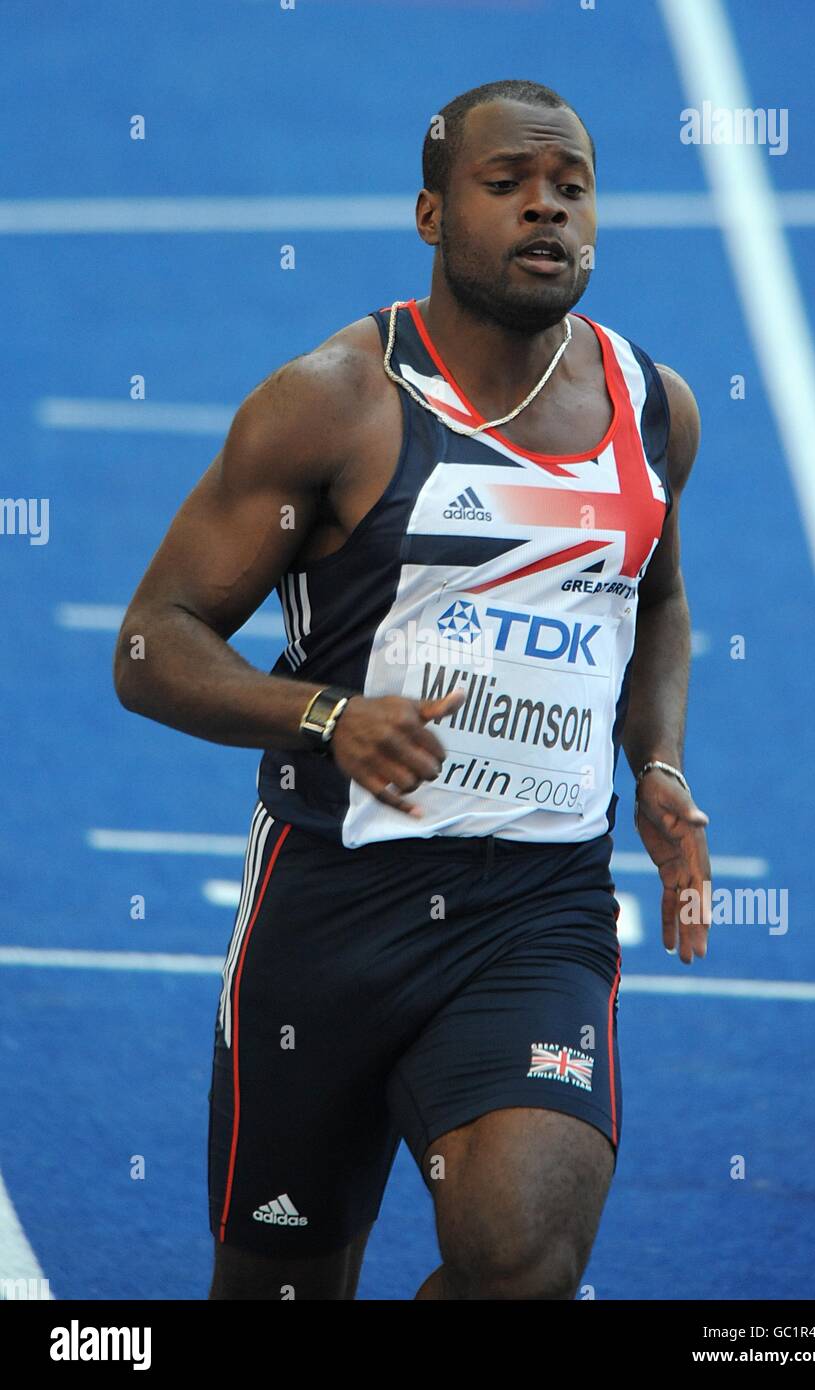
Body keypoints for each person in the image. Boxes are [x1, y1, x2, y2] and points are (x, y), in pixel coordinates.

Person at [114, 78, 711, 1301]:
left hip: (536, 908)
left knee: (523, 1263)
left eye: (572, 186)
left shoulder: (654, 410)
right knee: (281, 1285)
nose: (547, 209)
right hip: (331, 911)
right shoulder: (336, 402)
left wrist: (655, 763)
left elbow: (653, 598)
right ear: (432, 215)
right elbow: (151, 642)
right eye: (509, 185)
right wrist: (328, 718)